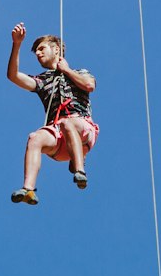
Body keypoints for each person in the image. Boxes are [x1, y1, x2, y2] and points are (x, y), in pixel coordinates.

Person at [7, 22, 98, 205]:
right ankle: (28, 189)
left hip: (82, 129)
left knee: (67, 123)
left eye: (42, 49)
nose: (38, 54)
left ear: (56, 49)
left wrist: (66, 70)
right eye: (37, 52)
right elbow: (13, 76)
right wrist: (16, 44)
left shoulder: (80, 72)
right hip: (57, 136)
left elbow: (89, 86)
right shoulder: (42, 81)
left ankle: (79, 169)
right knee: (35, 137)